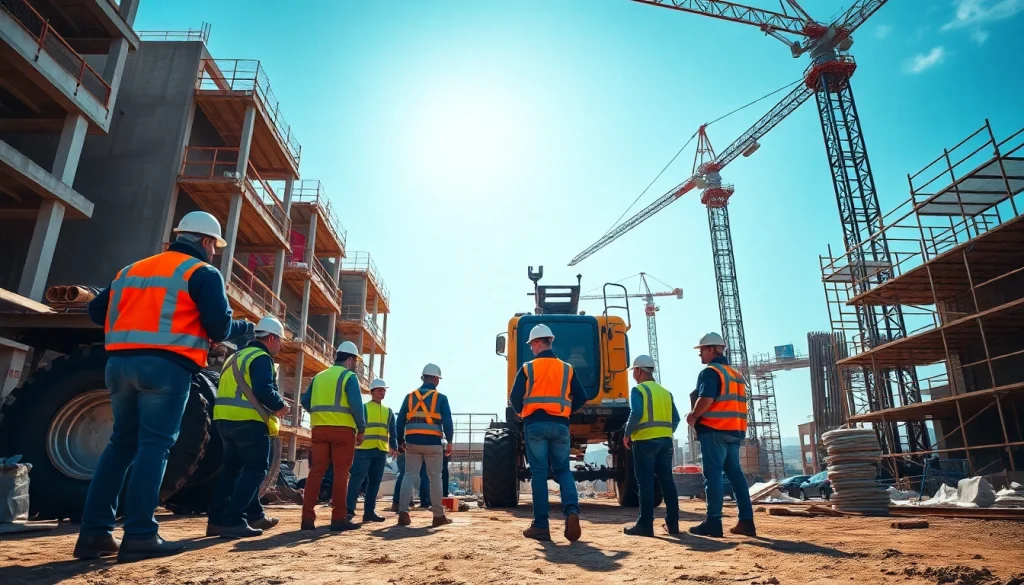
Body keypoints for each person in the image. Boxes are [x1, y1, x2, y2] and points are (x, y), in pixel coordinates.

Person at [74, 211, 252, 562]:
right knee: (154, 447)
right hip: (166, 368)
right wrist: (243, 329)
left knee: (120, 445)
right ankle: (140, 533)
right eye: (214, 246)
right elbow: (218, 328)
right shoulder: (202, 273)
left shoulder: (131, 270)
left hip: (118, 365)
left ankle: (94, 533)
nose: (214, 252)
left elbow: (96, 312)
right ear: (204, 242)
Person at [207, 316, 289, 539]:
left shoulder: (236, 356)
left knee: (231, 471)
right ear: (270, 338)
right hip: (248, 422)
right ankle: (234, 520)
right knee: (255, 470)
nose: (280, 345)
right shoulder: (261, 357)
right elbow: (263, 390)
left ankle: (218, 520)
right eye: (279, 340)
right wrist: (281, 406)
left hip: (224, 421)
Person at [510, 324, 588, 542]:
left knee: (539, 474)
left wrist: (520, 413)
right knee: (563, 470)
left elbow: (515, 398)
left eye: (531, 346)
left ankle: (541, 526)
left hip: (535, 425)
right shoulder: (567, 368)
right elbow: (581, 397)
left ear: (536, 343)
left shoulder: (528, 368)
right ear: (549, 342)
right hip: (561, 426)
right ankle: (572, 511)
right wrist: (565, 411)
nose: (531, 350)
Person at [686, 332, 756, 538]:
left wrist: (693, 416)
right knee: (736, 476)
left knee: (713, 475)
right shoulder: (736, 375)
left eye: (701, 351)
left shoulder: (710, 372)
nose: (700, 355)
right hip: (735, 431)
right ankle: (746, 521)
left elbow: (706, 398)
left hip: (714, 430)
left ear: (711, 350)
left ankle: (713, 522)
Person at [300, 341, 366, 531]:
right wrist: (361, 428)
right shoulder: (349, 377)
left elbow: (305, 400)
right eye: (355, 361)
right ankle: (338, 518)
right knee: (341, 473)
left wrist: (319, 414)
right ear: (351, 359)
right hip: (342, 431)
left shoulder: (319, 376)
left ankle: (307, 518)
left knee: (316, 472)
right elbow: (356, 406)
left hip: (319, 429)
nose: (355, 365)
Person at [621, 355, 681, 537]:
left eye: (634, 372)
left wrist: (627, 433)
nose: (633, 376)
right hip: (665, 441)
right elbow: (676, 418)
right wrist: (665, 432)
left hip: (645, 442)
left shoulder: (639, 390)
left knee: (645, 483)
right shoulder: (665, 392)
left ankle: (645, 524)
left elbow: (637, 412)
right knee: (667, 482)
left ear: (639, 370)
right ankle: (673, 524)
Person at [396, 363, 454, 527]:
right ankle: (437, 516)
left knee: (409, 475)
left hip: (412, 442)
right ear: (436, 379)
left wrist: (400, 441)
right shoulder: (441, 398)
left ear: (423, 377)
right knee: (435, 477)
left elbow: (400, 421)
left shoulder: (410, 397)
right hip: (433, 443)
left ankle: (403, 513)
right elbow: (448, 422)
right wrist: (449, 441)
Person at [346, 378, 397, 522]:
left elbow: (392, 431)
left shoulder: (388, 411)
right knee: (357, 480)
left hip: (380, 451)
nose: (382, 392)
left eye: (384, 390)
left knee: (375, 482)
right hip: (363, 450)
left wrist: (393, 446)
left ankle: (369, 512)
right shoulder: (364, 408)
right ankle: (349, 511)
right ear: (372, 392)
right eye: (379, 390)